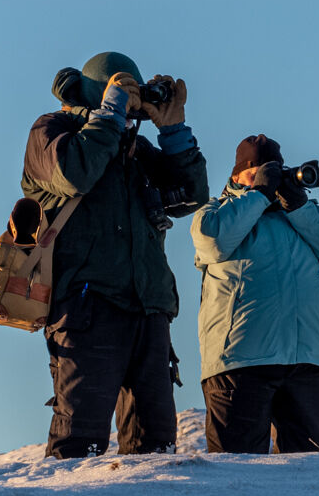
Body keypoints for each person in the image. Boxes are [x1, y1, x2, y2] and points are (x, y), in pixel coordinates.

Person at [22, 52, 209, 458]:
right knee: (79, 442)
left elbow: (190, 196)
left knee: (155, 450)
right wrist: (108, 115)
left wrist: (174, 131)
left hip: (148, 309)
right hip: (86, 307)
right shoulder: (51, 132)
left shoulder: (135, 151)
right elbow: (74, 174)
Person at [191, 135, 319, 453]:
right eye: (258, 171)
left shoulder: (298, 214)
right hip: (239, 360)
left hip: (306, 360)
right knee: (236, 471)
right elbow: (212, 242)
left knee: (313, 471)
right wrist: (258, 195)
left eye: (274, 171)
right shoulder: (216, 212)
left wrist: (299, 206)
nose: (269, 178)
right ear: (237, 175)